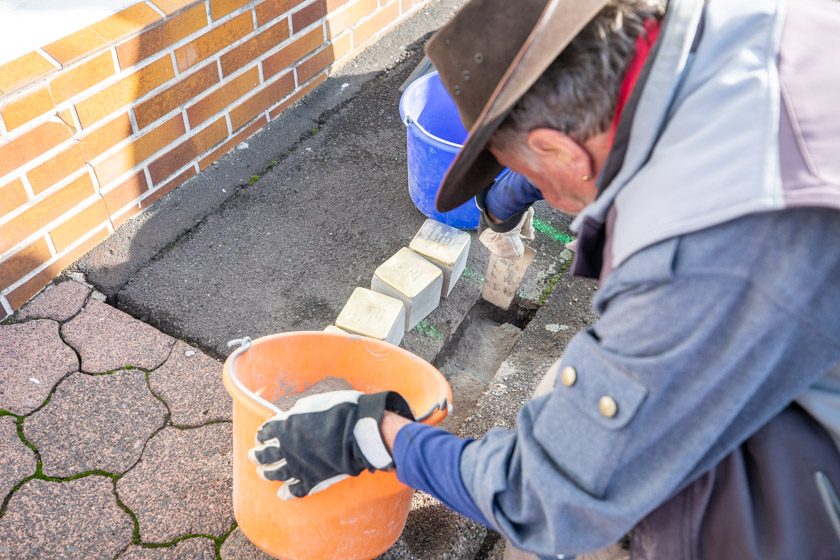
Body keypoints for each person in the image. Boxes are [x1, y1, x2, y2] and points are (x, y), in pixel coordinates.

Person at [248, 0, 840, 558]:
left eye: (531, 167)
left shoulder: (698, 262)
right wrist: (514, 190)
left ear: (561, 146)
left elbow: (542, 494)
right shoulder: (741, 26)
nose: (551, 195)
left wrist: (373, 435)